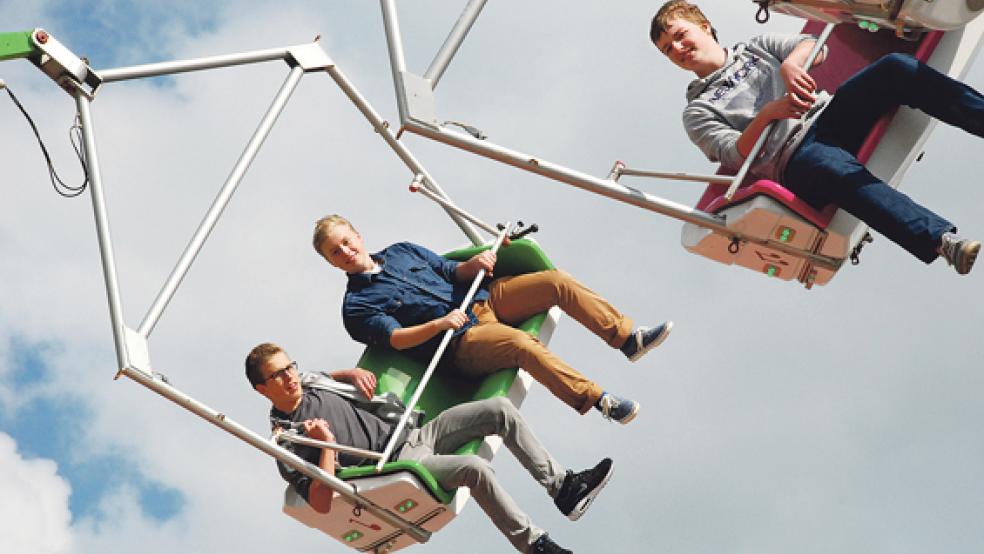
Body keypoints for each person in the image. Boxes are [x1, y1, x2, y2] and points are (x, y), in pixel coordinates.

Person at [650, 1, 982, 275]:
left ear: (705, 26)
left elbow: (813, 47)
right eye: (668, 49)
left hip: (827, 118)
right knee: (831, 168)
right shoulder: (697, 112)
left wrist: (790, 66)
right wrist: (770, 113)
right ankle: (940, 240)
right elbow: (734, 153)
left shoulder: (755, 47)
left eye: (680, 36)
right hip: (794, 158)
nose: (678, 49)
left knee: (895, 68)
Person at [246, 342, 615, 554]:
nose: (289, 377)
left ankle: (564, 488)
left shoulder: (309, 382)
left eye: (289, 367)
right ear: (262, 389)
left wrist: (349, 374)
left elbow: (325, 378)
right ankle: (535, 545)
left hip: (412, 431)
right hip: (393, 466)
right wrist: (326, 446)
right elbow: (324, 503)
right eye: (277, 375)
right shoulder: (288, 439)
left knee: (500, 410)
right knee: (474, 468)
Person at [311, 214, 674, 425]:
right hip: (460, 343)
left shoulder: (402, 251)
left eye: (346, 241)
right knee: (520, 345)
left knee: (556, 283)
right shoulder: (357, 306)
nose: (345, 252)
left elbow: (452, 272)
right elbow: (398, 339)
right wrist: (439, 325)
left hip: (485, 300)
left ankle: (627, 338)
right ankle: (599, 400)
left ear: (357, 235)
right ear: (330, 262)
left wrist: (477, 264)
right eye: (335, 252)